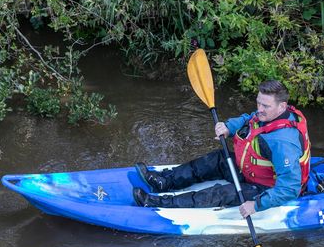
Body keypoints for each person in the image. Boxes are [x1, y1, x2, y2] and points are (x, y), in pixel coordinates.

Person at [133, 80, 311, 218]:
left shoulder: (283, 144)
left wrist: (255, 205)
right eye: (258, 103)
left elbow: (289, 189)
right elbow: (249, 118)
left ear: (282, 106)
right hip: (252, 171)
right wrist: (228, 127)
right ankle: (165, 182)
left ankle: (158, 203)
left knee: (221, 192)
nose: (259, 109)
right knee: (216, 159)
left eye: (265, 106)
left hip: (265, 187)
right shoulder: (269, 114)